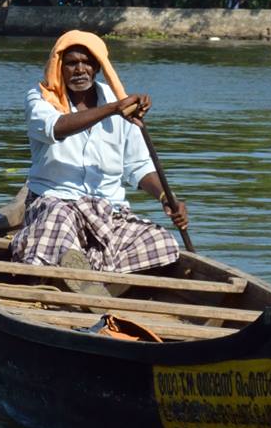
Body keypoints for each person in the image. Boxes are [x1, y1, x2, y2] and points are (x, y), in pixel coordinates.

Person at [10, 30, 188, 271]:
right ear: (59, 67)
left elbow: (138, 166)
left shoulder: (120, 104)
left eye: (87, 63)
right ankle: (67, 274)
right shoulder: (41, 98)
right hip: (54, 202)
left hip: (108, 210)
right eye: (72, 63)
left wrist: (167, 198)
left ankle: (84, 273)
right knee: (58, 225)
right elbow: (57, 128)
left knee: (162, 242)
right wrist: (113, 109)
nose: (80, 70)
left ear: (98, 67)